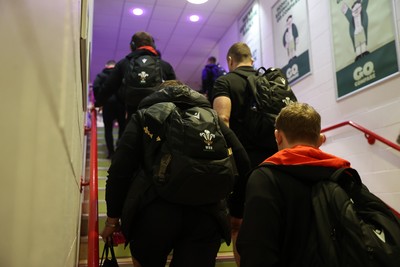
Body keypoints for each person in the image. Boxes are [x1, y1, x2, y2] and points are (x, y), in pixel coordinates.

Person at [100, 81, 251, 267]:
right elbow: (243, 163)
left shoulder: (145, 116)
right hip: (207, 214)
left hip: (154, 213)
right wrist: (235, 211)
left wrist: (112, 220)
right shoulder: (212, 117)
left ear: (159, 94)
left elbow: (119, 171)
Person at [236, 102, 352, 267]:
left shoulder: (265, 177)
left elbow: (256, 249)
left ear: (278, 136)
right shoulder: (344, 174)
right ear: (320, 140)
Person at [212, 42, 279, 265]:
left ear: (230, 60)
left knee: (237, 223)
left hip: (243, 163)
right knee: (274, 219)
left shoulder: (225, 81)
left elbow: (223, 120)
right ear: (251, 59)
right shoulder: (271, 81)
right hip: (273, 162)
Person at [94, 31, 176, 121]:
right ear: (153, 46)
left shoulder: (124, 63)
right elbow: (174, 89)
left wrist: (99, 102)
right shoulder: (164, 65)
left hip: (133, 111)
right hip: (157, 113)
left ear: (132, 45)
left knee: (132, 132)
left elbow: (109, 86)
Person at [93, 60, 126, 159]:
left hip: (107, 105)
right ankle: (119, 149)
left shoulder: (100, 76)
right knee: (122, 128)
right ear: (115, 66)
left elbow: (95, 87)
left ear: (106, 66)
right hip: (121, 104)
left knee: (108, 129)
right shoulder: (121, 75)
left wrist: (99, 102)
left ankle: (111, 152)